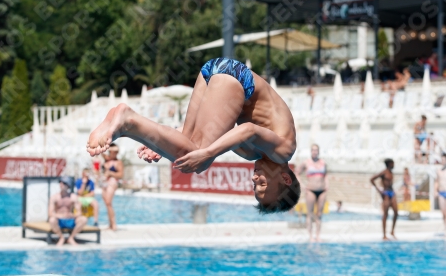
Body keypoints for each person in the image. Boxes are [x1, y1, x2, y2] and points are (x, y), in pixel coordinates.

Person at [87, 57, 300, 213]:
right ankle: (126, 121)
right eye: (262, 184)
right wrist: (208, 154)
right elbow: (249, 130)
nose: (254, 179)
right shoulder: (283, 152)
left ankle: (126, 122)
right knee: (200, 162)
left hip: (216, 70)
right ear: (285, 178)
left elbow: (217, 128)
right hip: (236, 78)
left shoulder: (253, 154)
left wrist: (160, 144)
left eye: (255, 185)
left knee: (188, 145)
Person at [296, 144, 328, 242]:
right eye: (313, 150)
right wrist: (302, 185)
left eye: (316, 150)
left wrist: (327, 185)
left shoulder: (323, 162)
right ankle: (310, 236)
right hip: (310, 190)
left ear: (318, 151)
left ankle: (318, 235)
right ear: (311, 151)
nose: (315, 152)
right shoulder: (306, 163)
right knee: (309, 214)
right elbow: (297, 172)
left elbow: (326, 175)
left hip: (322, 190)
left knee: (319, 214)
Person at [48, 176, 88, 246]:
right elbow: (50, 213)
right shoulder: (54, 197)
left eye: (63, 183)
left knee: (84, 219)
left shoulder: (73, 197)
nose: (61, 184)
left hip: (70, 220)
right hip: (59, 221)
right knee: (52, 220)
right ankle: (61, 237)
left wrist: (72, 215)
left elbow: (79, 212)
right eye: (60, 183)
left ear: (68, 185)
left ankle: (71, 238)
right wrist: (60, 216)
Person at [370, 159, 398, 241]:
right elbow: (372, 179)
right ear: (389, 164)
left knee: (396, 212)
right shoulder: (384, 172)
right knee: (385, 214)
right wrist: (379, 190)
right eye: (393, 163)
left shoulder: (391, 172)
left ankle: (392, 231)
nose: (394, 165)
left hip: (391, 193)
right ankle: (384, 235)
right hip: (385, 193)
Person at [101, 144, 123, 230]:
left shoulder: (118, 162)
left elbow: (121, 175)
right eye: (112, 151)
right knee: (107, 204)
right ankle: (110, 224)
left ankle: (114, 224)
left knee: (109, 203)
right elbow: (100, 151)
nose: (114, 153)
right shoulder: (106, 159)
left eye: (116, 152)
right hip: (104, 183)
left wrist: (111, 173)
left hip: (112, 182)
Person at [435, 154, 446, 235]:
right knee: (443, 213)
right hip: (441, 193)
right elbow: (437, 181)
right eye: (442, 160)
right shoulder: (439, 170)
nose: (443, 161)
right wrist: (435, 191)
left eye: (444, 159)